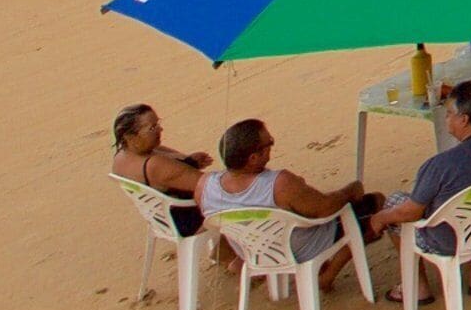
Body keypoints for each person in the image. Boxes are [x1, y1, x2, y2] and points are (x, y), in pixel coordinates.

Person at [368, 80, 471, 289]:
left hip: (449, 240)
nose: (446, 118)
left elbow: (410, 213)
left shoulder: (440, 165)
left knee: (395, 203)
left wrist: (380, 217)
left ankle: (418, 288)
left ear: (463, 120)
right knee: (466, 201)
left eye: (449, 113)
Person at [200, 117, 377, 273]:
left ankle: (238, 261)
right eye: (269, 144)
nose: (272, 146)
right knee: (375, 203)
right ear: (253, 158)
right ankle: (327, 275)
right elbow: (325, 209)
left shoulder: (204, 185)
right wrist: (350, 191)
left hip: (252, 251)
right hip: (296, 249)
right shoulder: (279, 183)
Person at [111, 103, 213, 244]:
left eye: (158, 123)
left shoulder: (122, 157)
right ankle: (227, 255)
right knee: (235, 196)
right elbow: (210, 186)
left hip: (162, 218)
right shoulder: (154, 165)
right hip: (189, 218)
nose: (160, 129)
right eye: (152, 128)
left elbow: (177, 162)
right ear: (131, 137)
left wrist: (190, 161)